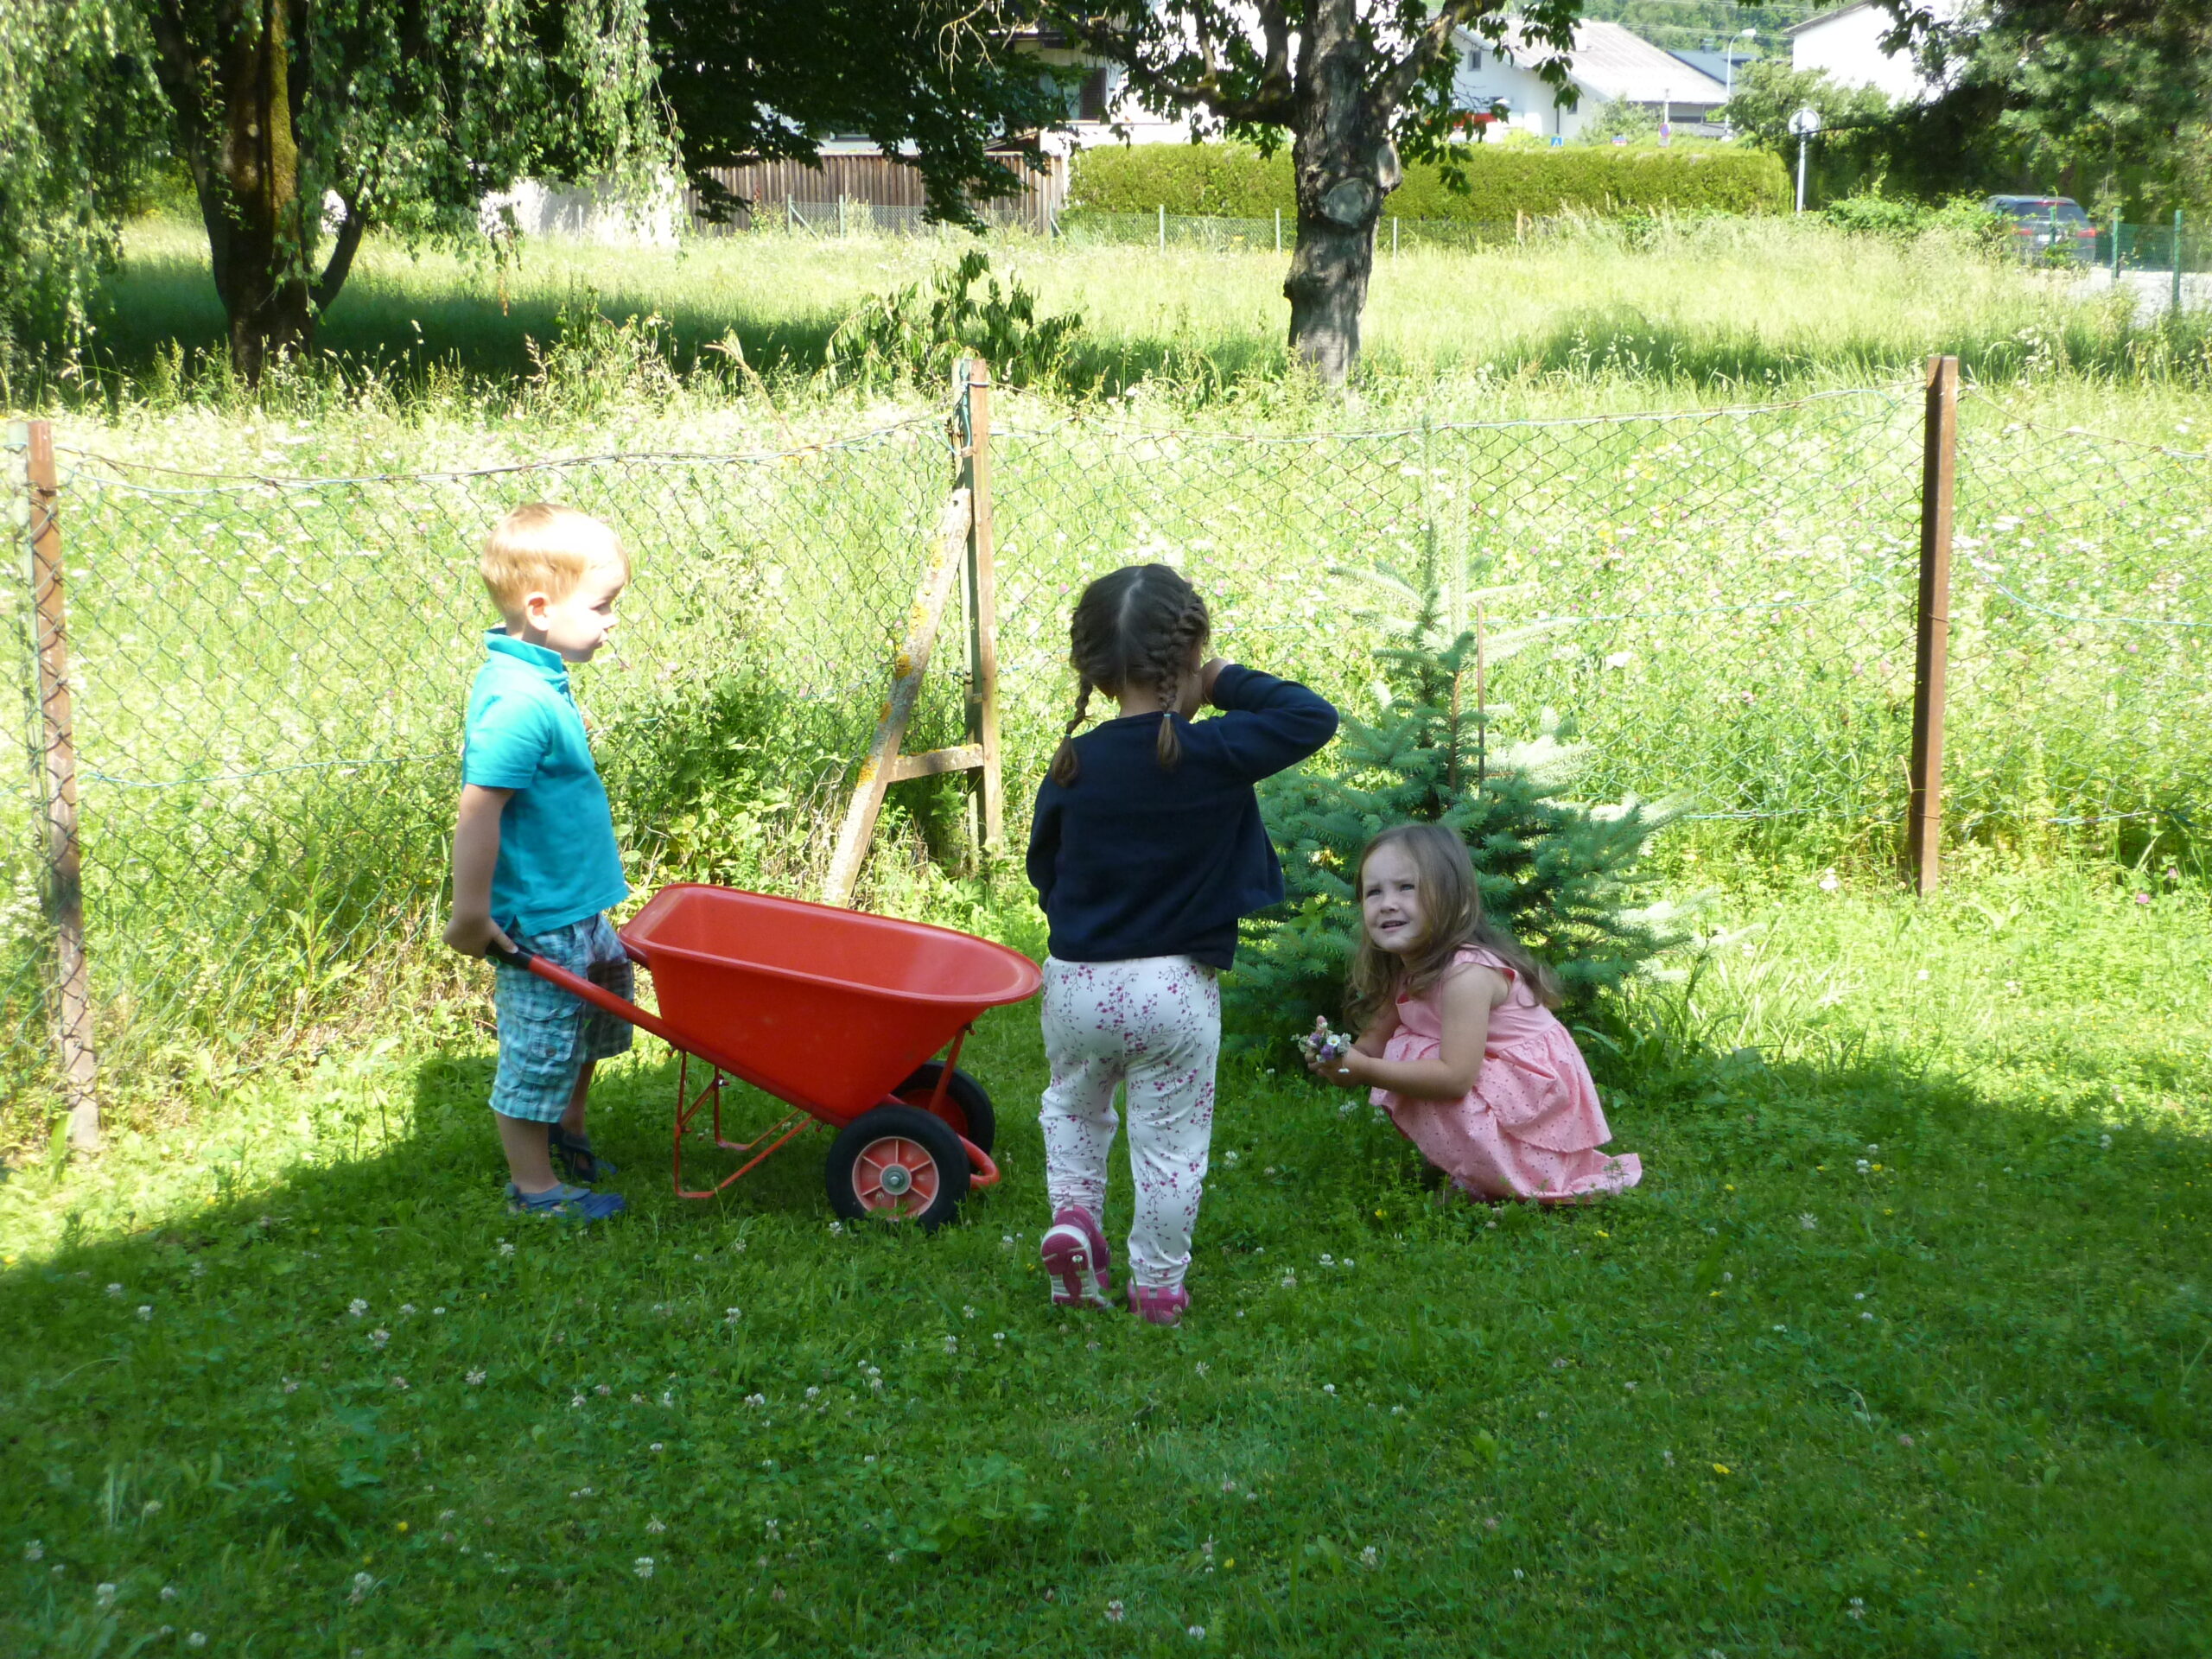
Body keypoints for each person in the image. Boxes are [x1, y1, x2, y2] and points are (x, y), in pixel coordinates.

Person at [1028, 563, 1338, 1325]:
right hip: (1172, 990)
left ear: (1095, 672)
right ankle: (1158, 1289)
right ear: (1192, 651)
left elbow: (1043, 869)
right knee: (1169, 1145)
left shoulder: (1074, 764)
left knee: (1073, 1110)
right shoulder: (1213, 752)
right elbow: (1311, 716)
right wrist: (1220, 678)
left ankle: (1074, 1219)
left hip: (1075, 984)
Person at [444, 503, 635, 1223]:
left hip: (580, 907)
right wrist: (472, 913)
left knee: (594, 1028)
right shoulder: (518, 701)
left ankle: (570, 1132)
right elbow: (479, 810)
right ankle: (535, 1188)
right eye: (602, 605)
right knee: (539, 1054)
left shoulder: (540, 675)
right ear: (540, 607)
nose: (613, 620)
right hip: (541, 922)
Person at [1309, 822, 1641, 1205]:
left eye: (1407, 887)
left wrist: (1366, 1070)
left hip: (1536, 1104)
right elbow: (1369, 1049)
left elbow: (1454, 1079)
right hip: (1503, 1090)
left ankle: (1505, 1177)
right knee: (1406, 1047)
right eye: (1373, 892)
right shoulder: (1404, 969)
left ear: (1456, 899)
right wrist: (1337, 1058)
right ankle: (1477, 1169)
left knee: (1416, 1054)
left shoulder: (1468, 973)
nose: (1387, 903)